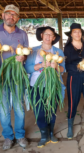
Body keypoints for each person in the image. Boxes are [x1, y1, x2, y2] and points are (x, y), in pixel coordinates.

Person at [24, 26, 65, 148]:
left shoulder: (58, 52)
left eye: (51, 35)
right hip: (36, 86)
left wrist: (56, 66)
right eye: (45, 34)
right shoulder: (33, 51)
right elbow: (27, 68)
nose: (48, 36)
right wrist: (40, 65)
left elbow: (63, 70)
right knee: (39, 111)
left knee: (52, 110)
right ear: (41, 36)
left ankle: (51, 133)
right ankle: (44, 135)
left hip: (53, 85)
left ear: (53, 38)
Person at [0, 4, 28, 150]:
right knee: (3, 109)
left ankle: (20, 135)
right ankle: (8, 137)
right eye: (8, 13)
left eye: (14, 14)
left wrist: (23, 57)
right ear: (3, 15)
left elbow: (26, 53)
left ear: (17, 18)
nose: (11, 16)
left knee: (19, 108)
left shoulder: (22, 34)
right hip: (2, 76)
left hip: (17, 76)